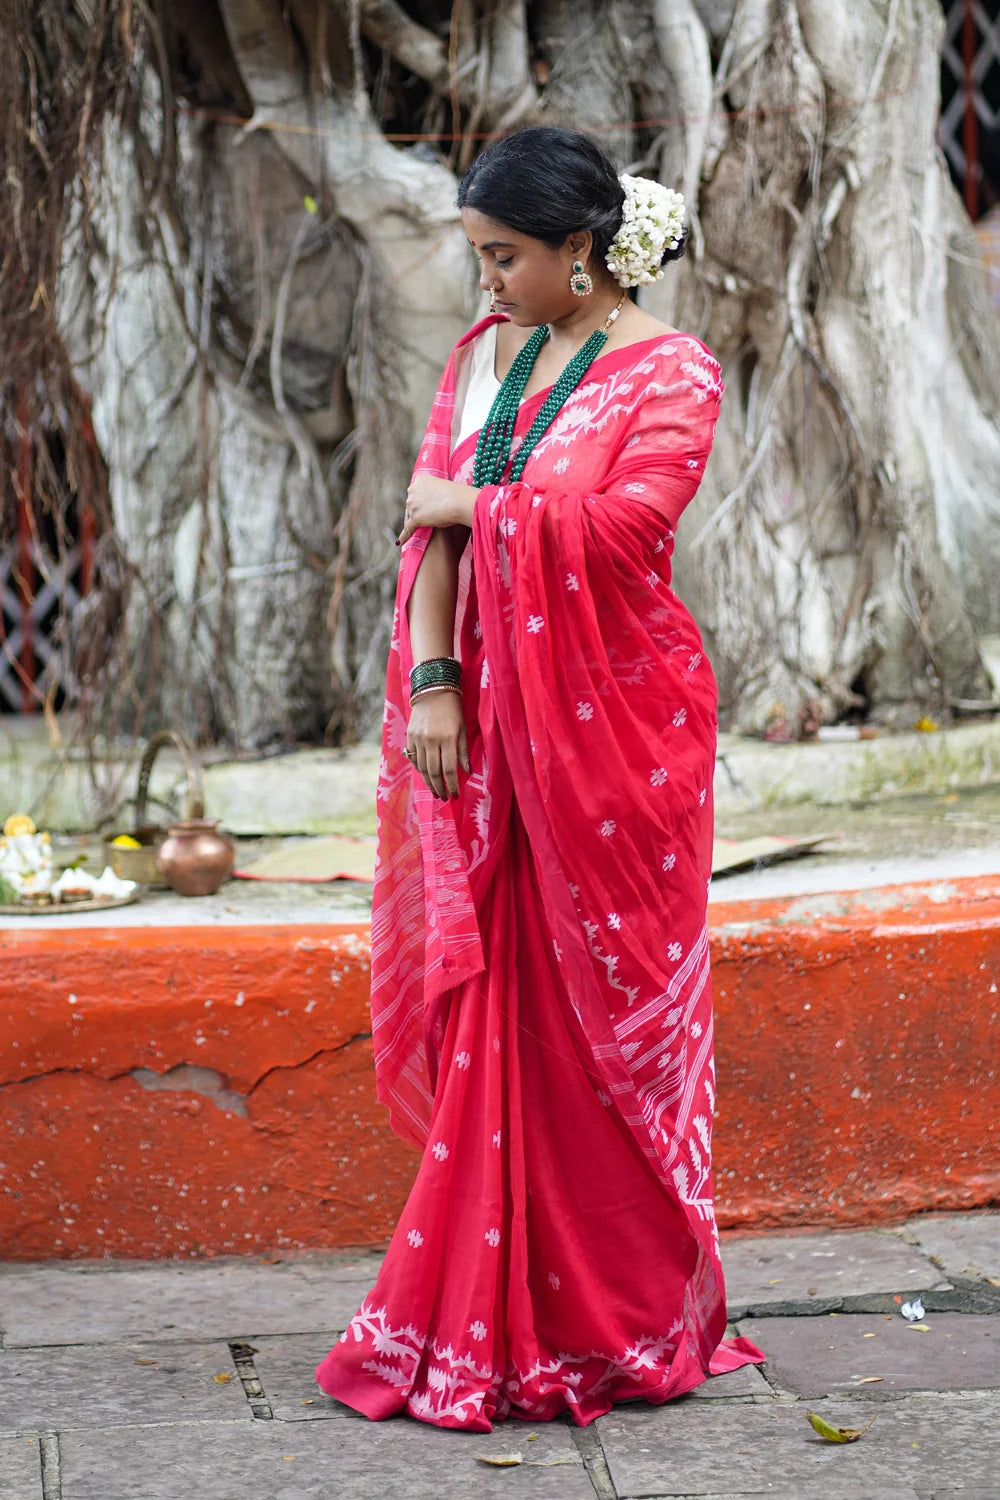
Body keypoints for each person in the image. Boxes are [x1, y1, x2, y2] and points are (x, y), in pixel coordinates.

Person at [315, 125, 764, 1431]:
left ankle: (623, 1319)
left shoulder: (674, 374)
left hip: (618, 744)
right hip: (494, 737)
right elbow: (425, 521)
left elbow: (627, 530)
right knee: (504, 1026)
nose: (488, 284)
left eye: (505, 258)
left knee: (609, 1039)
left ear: (583, 253)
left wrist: (471, 507)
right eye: (479, 258)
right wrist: (439, 682)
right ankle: (476, 1316)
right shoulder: (490, 361)